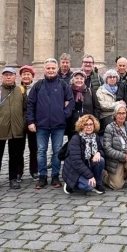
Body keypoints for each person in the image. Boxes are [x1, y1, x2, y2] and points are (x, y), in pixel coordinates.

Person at [27, 58, 74, 190]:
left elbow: (70, 102)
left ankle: (55, 176)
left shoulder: (63, 85)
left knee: (57, 151)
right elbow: (30, 104)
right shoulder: (38, 86)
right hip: (41, 125)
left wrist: (63, 115)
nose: (51, 70)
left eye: (53, 68)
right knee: (41, 151)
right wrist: (31, 121)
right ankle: (42, 176)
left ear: (56, 69)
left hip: (58, 125)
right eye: (48, 68)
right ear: (44, 70)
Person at [0, 67, 27, 193]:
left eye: (11, 75)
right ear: (2, 77)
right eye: (6, 75)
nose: (8, 77)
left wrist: (22, 124)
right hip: (0, 129)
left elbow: (26, 109)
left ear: (15, 77)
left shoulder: (21, 90)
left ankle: (13, 178)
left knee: (14, 156)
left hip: (16, 129)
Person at [62, 114, 105, 196]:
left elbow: (102, 150)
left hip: (87, 166)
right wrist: (90, 176)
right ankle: (70, 184)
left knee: (101, 160)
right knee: (88, 187)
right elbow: (76, 162)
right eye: (86, 124)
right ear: (81, 126)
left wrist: (98, 153)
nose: (89, 127)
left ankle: (98, 184)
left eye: (91, 124)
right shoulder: (76, 139)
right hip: (74, 169)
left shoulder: (95, 137)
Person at [103, 106, 127, 190]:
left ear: (126, 115)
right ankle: (105, 175)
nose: (121, 115)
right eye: (119, 113)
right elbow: (107, 149)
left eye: (123, 113)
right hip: (115, 159)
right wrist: (123, 156)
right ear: (115, 115)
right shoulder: (109, 128)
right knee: (117, 186)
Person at [19, 65, 38, 180]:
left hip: (33, 123)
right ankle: (18, 172)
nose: (26, 76)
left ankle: (34, 170)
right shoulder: (16, 90)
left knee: (34, 148)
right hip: (19, 123)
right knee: (19, 149)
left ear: (32, 76)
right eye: (24, 74)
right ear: (20, 77)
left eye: (28, 74)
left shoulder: (36, 89)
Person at [67, 69, 100, 136]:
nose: (79, 80)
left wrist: (94, 120)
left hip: (88, 125)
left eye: (81, 78)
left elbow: (97, 107)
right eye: (77, 78)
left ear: (84, 80)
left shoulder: (90, 91)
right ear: (73, 80)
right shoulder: (68, 91)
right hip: (72, 125)